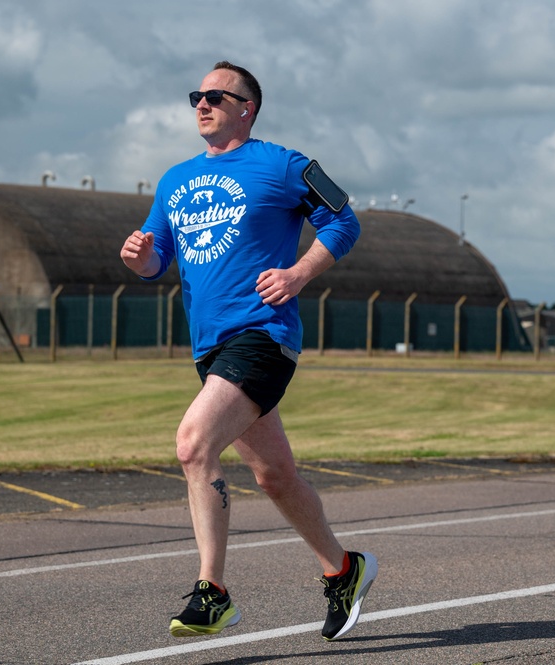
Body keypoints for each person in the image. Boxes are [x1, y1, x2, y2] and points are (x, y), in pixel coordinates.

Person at [119, 61, 377, 641]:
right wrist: (139, 260)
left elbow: (344, 220)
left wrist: (299, 273)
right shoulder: (174, 180)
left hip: (263, 335)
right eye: (196, 96)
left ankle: (213, 592)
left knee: (192, 444)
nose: (202, 104)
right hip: (211, 347)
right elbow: (156, 258)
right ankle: (342, 569)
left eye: (215, 96)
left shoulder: (284, 165)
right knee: (274, 475)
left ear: (247, 108)